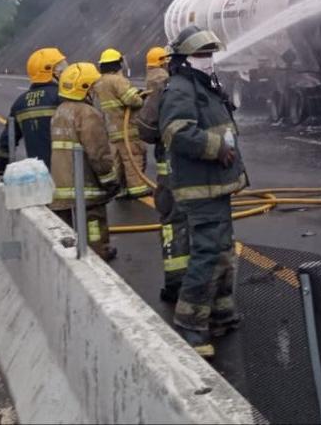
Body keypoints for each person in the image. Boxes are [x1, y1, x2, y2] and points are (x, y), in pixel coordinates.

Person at [160, 26, 248, 358]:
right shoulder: (181, 89)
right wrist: (216, 148)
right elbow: (177, 132)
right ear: (183, 58)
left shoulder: (202, 86)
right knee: (208, 255)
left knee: (223, 251)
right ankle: (189, 328)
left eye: (210, 53)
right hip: (201, 187)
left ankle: (220, 314)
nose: (207, 60)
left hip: (216, 184)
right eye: (200, 54)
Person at [50, 62, 120, 260]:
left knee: (68, 237)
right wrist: (110, 181)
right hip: (86, 190)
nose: (95, 91)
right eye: (93, 86)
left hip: (60, 191)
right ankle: (100, 254)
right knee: (94, 230)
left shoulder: (59, 111)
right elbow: (98, 153)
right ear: (84, 88)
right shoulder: (87, 114)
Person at [136, 45, 190, 302]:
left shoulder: (162, 90)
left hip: (170, 174)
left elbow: (145, 129)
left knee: (173, 222)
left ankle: (176, 284)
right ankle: (209, 291)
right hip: (202, 173)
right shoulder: (202, 85)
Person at [0, 48, 66, 176]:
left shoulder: (19, 103)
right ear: (51, 72)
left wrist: (1, 167)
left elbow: (7, 141)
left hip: (39, 178)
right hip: (70, 175)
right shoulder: (64, 97)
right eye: (62, 69)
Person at [92, 48, 147, 198]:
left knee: (118, 162)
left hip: (110, 131)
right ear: (117, 64)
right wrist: (141, 98)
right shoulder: (118, 80)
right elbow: (131, 100)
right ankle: (138, 188)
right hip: (126, 128)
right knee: (132, 158)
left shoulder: (98, 83)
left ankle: (121, 189)